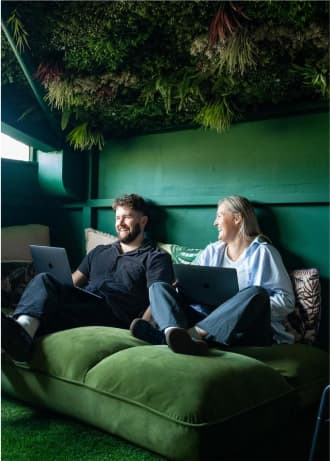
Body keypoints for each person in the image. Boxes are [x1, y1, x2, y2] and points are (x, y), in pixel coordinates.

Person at [1, 194, 175, 362]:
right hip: (83, 306)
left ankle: (19, 334)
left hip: (112, 315)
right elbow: (71, 282)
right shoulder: (100, 251)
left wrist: (142, 329)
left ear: (143, 221)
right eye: (117, 218)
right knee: (44, 286)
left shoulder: (156, 257)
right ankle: (17, 334)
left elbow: (157, 299)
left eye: (127, 217)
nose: (120, 223)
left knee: (45, 281)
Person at [130, 195, 296, 355]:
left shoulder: (263, 252)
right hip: (205, 319)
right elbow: (193, 284)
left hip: (244, 330)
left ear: (237, 218)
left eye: (219, 216)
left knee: (256, 293)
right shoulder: (212, 251)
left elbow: (286, 301)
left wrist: (234, 309)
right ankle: (173, 333)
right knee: (159, 286)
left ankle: (186, 336)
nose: (215, 222)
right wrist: (182, 288)